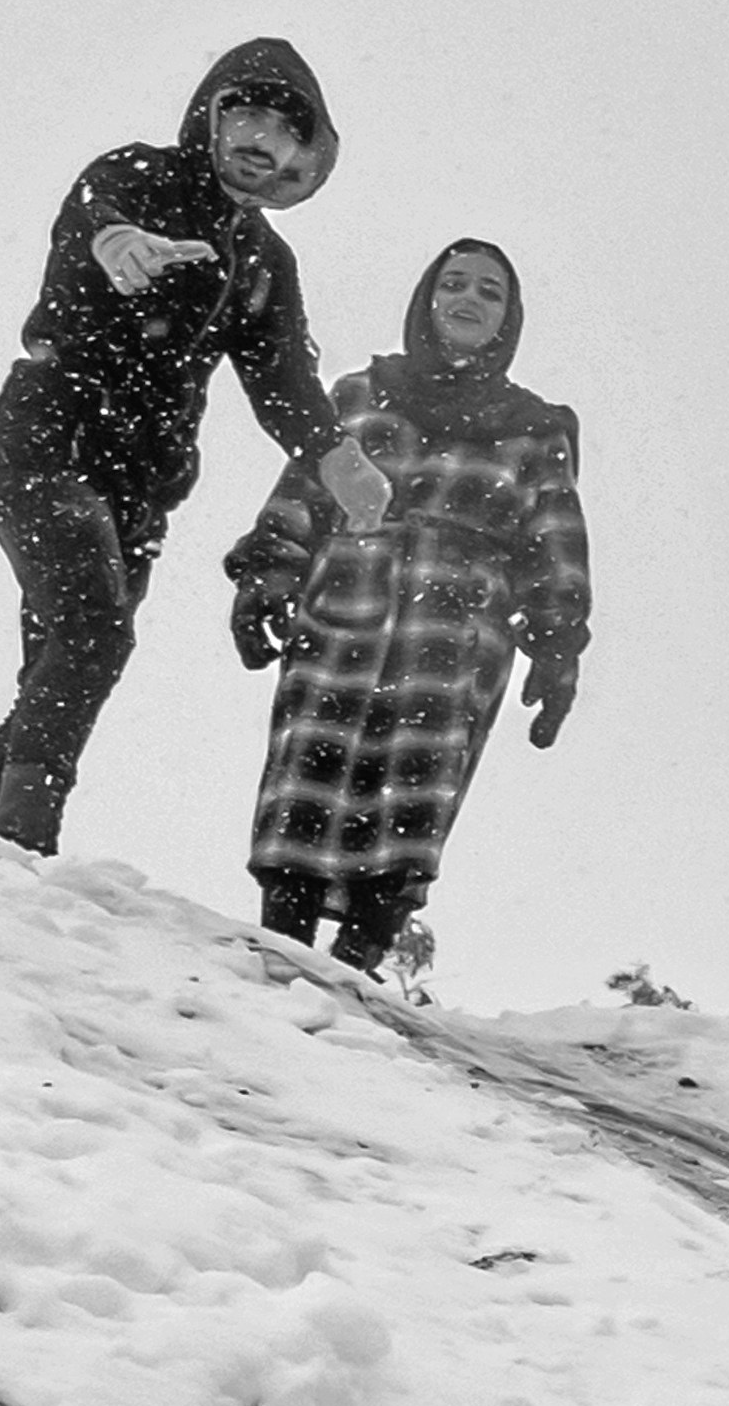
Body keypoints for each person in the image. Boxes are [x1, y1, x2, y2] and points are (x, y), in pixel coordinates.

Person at [0, 41, 343, 852]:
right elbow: (92, 210)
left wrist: (342, 461)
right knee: (95, 632)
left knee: (61, 671)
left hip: (141, 489)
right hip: (48, 440)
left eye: (283, 128)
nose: (261, 136)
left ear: (301, 157)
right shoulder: (139, 174)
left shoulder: (265, 261)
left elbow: (284, 384)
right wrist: (114, 240)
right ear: (212, 114)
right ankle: (25, 840)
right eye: (247, 111)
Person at [216, 237, 591, 981]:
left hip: (454, 633)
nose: (468, 300)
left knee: (410, 803)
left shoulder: (535, 428)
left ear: (509, 318)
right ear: (426, 298)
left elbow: (554, 538)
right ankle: (279, 965)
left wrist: (559, 646)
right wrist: (267, 574)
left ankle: (357, 975)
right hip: (346, 604)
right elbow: (305, 491)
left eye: (490, 292)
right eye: (454, 283)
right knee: (307, 783)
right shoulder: (360, 395)